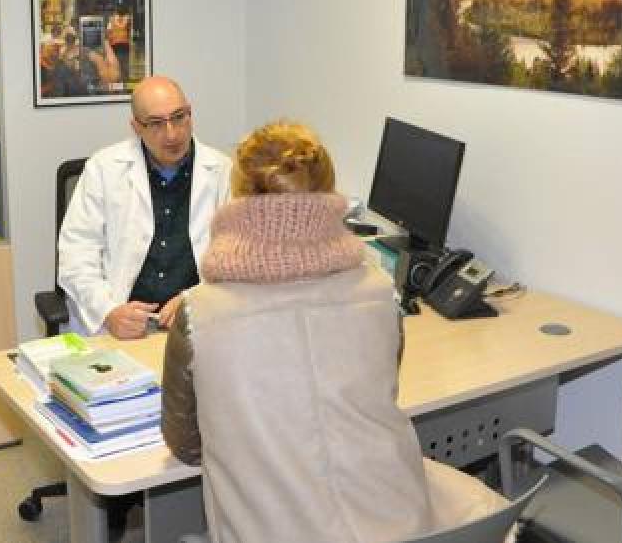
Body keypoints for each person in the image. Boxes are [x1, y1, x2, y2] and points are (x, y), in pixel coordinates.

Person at [161, 121, 507, 543]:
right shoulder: (381, 291)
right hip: (398, 526)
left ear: (238, 195)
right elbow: (380, 391)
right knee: (475, 498)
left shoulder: (198, 313)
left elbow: (187, 446)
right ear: (328, 194)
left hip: (270, 529)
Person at [58, 76, 232, 338]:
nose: (172, 133)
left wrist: (196, 299)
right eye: (156, 124)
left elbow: (235, 260)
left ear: (190, 114)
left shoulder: (223, 171)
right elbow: (76, 255)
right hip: (122, 325)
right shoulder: (104, 168)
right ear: (136, 127)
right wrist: (108, 312)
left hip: (196, 325)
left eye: (179, 117)